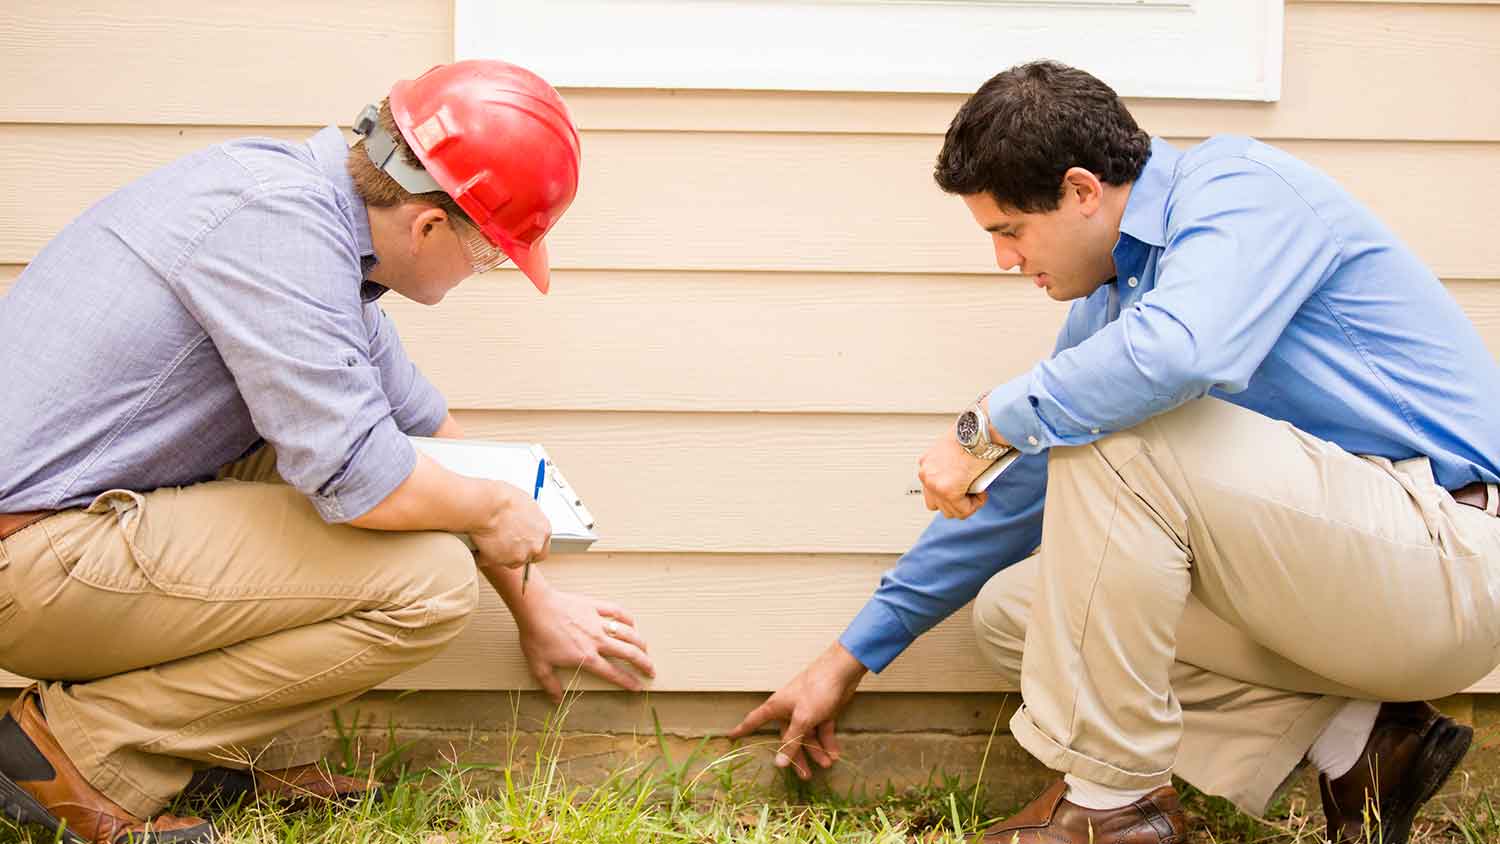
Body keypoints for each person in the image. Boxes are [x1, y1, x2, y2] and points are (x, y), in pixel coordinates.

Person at [731, 60, 1500, 844]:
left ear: (1081, 190)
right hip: (1342, 587)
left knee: (1117, 430)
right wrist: (849, 656)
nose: (1004, 260)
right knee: (1015, 614)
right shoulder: (1111, 311)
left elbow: (1181, 356)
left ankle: (1112, 807)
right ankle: (1362, 741)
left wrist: (984, 421)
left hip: (1449, 556)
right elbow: (1020, 498)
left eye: (1009, 231)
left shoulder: (1240, 189)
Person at [0, 60, 654, 844]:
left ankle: (159, 752)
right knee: (431, 585)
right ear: (430, 226)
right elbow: (366, 479)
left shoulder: (315, 226)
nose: (483, 275)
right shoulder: (281, 235)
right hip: (31, 556)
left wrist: (534, 603)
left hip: (66, 532)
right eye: (488, 257)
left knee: (373, 478)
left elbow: (423, 439)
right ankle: (74, 751)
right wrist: (492, 513)